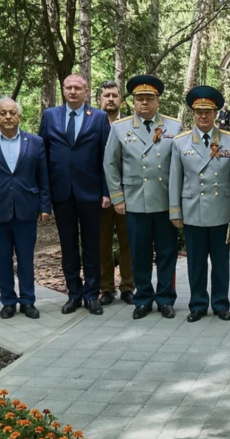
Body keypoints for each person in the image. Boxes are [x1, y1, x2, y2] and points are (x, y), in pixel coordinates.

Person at [104, 75, 183, 320]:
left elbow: (180, 167)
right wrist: (117, 197)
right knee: (139, 253)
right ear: (133, 102)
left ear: (158, 101)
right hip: (136, 201)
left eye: (149, 98)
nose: (144, 103)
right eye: (140, 99)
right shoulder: (120, 128)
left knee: (167, 252)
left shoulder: (174, 127)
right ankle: (143, 298)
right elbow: (110, 164)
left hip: (165, 201)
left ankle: (166, 298)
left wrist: (179, 202)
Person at [39, 73, 111, 316]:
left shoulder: (99, 118)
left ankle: (92, 295)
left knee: (92, 246)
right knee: (68, 246)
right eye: (68, 88)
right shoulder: (50, 116)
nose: (72, 91)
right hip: (61, 193)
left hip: (90, 193)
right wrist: (45, 196)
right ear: (63, 89)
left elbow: (106, 158)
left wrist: (105, 191)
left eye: (77, 88)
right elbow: (43, 156)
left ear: (86, 90)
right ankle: (74, 294)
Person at [0, 98, 51, 319]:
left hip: (26, 209)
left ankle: (27, 300)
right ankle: (8, 301)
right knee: (3, 259)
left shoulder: (35, 142)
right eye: (3, 113)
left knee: (26, 258)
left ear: (19, 116)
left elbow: (43, 178)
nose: (8, 117)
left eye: (12, 113)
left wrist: (45, 206)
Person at [169, 86, 230, 323]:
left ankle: (221, 304)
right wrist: (175, 211)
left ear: (216, 113)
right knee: (196, 262)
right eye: (198, 111)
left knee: (221, 262)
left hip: (221, 211)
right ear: (192, 114)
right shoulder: (180, 143)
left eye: (208, 111)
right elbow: (174, 179)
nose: (203, 116)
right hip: (193, 210)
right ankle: (198, 304)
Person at [95, 81, 134, 306]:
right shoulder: (93, 125)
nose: (110, 99)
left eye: (114, 95)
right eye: (106, 95)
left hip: (128, 195)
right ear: (99, 100)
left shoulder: (130, 125)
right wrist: (103, 191)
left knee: (128, 241)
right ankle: (106, 287)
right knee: (103, 243)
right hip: (100, 196)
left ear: (121, 100)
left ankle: (128, 286)